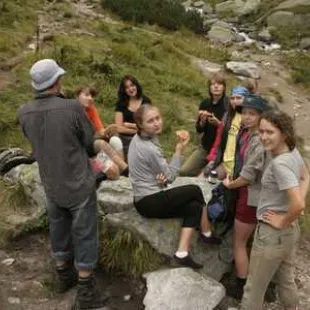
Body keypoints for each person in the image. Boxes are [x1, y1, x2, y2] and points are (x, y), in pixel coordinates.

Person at [18, 59, 107, 309]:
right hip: (78, 182)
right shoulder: (72, 108)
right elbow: (89, 144)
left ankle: (62, 275)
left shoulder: (23, 112)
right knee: (85, 233)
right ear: (56, 81)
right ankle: (86, 293)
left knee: (58, 227)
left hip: (50, 182)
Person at [128, 105, 220, 270]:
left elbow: (160, 175)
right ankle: (206, 231)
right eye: (150, 121)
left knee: (194, 207)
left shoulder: (140, 138)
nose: (156, 123)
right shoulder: (149, 148)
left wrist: (160, 177)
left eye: (157, 118)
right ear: (140, 125)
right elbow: (170, 177)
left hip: (145, 198)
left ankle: (182, 253)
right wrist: (179, 150)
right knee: (194, 190)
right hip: (149, 201)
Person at [240, 110, 309, 310]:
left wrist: (282, 220)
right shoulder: (293, 151)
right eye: (261, 132)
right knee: (286, 280)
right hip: (290, 232)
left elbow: (298, 204)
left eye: (270, 132)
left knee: (253, 289)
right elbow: (306, 177)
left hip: (272, 234)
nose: (263, 137)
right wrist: (291, 215)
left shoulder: (279, 163)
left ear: (284, 134)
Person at [222, 95, 268, 300]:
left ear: (261, 116)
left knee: (239, 242)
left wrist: (230, 184)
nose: (247, 117)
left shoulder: (259, 140)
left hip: (251, 196)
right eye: (244, 113)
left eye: (252, 114)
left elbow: (249, 176)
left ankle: (242, 287)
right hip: (246, 193)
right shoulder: (246, 133)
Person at [179, 73, 228, 176]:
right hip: (205, 147)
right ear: (209, 88)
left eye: (219, 84)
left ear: (224, 87)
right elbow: (199, 130)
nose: (216, 86)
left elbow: (233, 130)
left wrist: (219, 124)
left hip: (222, 150)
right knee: (184, 171)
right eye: (213, 84)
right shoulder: (205, 103)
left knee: (209, 176)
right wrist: (202, 122)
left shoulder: (228, 105)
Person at [76, 85, 128, 178]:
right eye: (86, 95)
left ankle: (122, 172)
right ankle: (126, 170)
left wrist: (108, 130)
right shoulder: (70, 110)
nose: (90, 98)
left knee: (115, 140)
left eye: (92, 96)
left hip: (89, 148)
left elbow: (101, 131)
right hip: (77, 149)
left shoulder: (91, 109)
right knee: (101, 144)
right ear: (77, 96)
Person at [204, 86, 250, 180]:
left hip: (238, 167)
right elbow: (219, 140)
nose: (235, 101)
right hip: (224, 162)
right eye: (232, 98)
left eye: (239, 98)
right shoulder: (227, 116)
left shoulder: (249, 120)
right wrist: (213, 158)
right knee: (203, 178)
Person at [115, 75, 151, 158]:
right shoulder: (121, 103)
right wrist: (137, 130)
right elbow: (118, 127)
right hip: (125, 138)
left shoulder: (146, 101)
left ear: (136, 85)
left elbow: (148, 126)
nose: (131, 89)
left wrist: (128, 125)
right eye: (127, 87)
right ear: (124, 90)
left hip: (143, 139)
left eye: (132, 85)